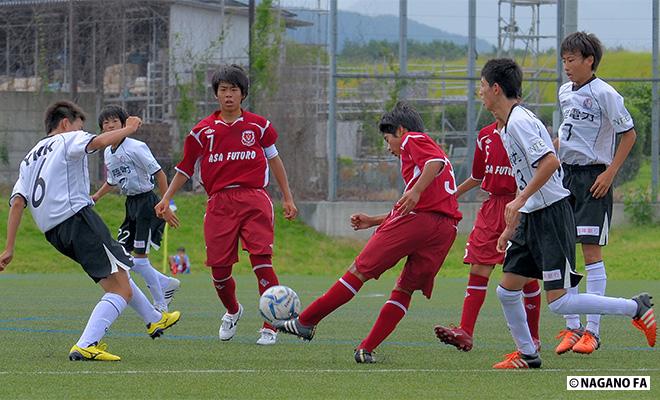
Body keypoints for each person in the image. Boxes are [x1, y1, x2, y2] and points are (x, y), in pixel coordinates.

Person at [478, 58, 655, 369]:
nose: (479, 92)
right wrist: (513, 223)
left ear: (495, 88)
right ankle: (528, 354)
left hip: (551, 216)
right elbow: (529, 176)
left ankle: (635, 308)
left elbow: (549, 163)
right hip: (533, 217)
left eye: (481, 86)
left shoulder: (519, 122)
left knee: (559, 301)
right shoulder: (506, 126)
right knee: (506, 291)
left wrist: (518, 201)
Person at [273, 101, 463, 364]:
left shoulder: (412, 140)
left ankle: (306, 321)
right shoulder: (425, 159)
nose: (389, 148)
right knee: (404, 290)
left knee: (358, 271)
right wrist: (374, 220)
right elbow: (424, 202)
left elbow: (435, 163)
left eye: (387, 139)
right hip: (445, 229)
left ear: (399, 130)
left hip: (420, 221)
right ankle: (367, 348)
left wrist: (417, 190)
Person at [0, 101, 181, 361]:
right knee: (119, 289)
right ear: (65, 123)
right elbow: (98, 142)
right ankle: (86, 344)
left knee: (118, 272)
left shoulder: (29, 158)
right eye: (80, 126)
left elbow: (18, 202)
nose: (82, 131)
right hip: (77, 219)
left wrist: (9, 247)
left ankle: (154, 319)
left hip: (54, 233)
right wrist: (128, 128)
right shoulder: (67, 139)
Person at [155, 64, 298, 346]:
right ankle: (233, 310)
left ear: (243, 94)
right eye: (223, 90)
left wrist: (288, 197)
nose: (228, 95)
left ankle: (271, 325)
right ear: (216, 95)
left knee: (261, 261)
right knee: (219, 272)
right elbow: (185, 168)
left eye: (234, 89)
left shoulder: (259, 126)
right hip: (219, 203)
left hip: (254, 198)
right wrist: (166, 198)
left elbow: (275, 160)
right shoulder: (202, 131)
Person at [554, 31, 638, 355]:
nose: (566, 66)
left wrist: (609, 172)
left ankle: (593, 331)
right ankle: (572, 328)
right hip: (566, 176)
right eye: (564, 60)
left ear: (589, 61)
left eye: (572, 60)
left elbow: (628, 134)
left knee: (590, 252)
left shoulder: (606, 94)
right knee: (564, 251)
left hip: (594, 178)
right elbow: (568, 135)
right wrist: (548, 152)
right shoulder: (564, 92)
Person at [434, 115, 541, 352]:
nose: (484, 98)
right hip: (492, 207)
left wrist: (524, 202)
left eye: (485, 89)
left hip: (519, 205)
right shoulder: (484, 135)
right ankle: (465, 332)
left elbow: (539, 168)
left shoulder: (523, 129)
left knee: (524, 273)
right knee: (478, 267)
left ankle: (533, 338)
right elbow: (477, 175)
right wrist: (451, 195)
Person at [92, 105, 181, 312]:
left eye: (114, 121)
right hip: (130, 205)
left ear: (124, 124)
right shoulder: (108, 152)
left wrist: (165, 203)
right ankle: (166, 283)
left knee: (140, 261)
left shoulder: (136, 147)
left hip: (147, 204)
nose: (110, 125)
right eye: (105, 123)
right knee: (122, 256)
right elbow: (113, 180)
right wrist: (96, 196)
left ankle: (161, 304)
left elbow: (160, 174)